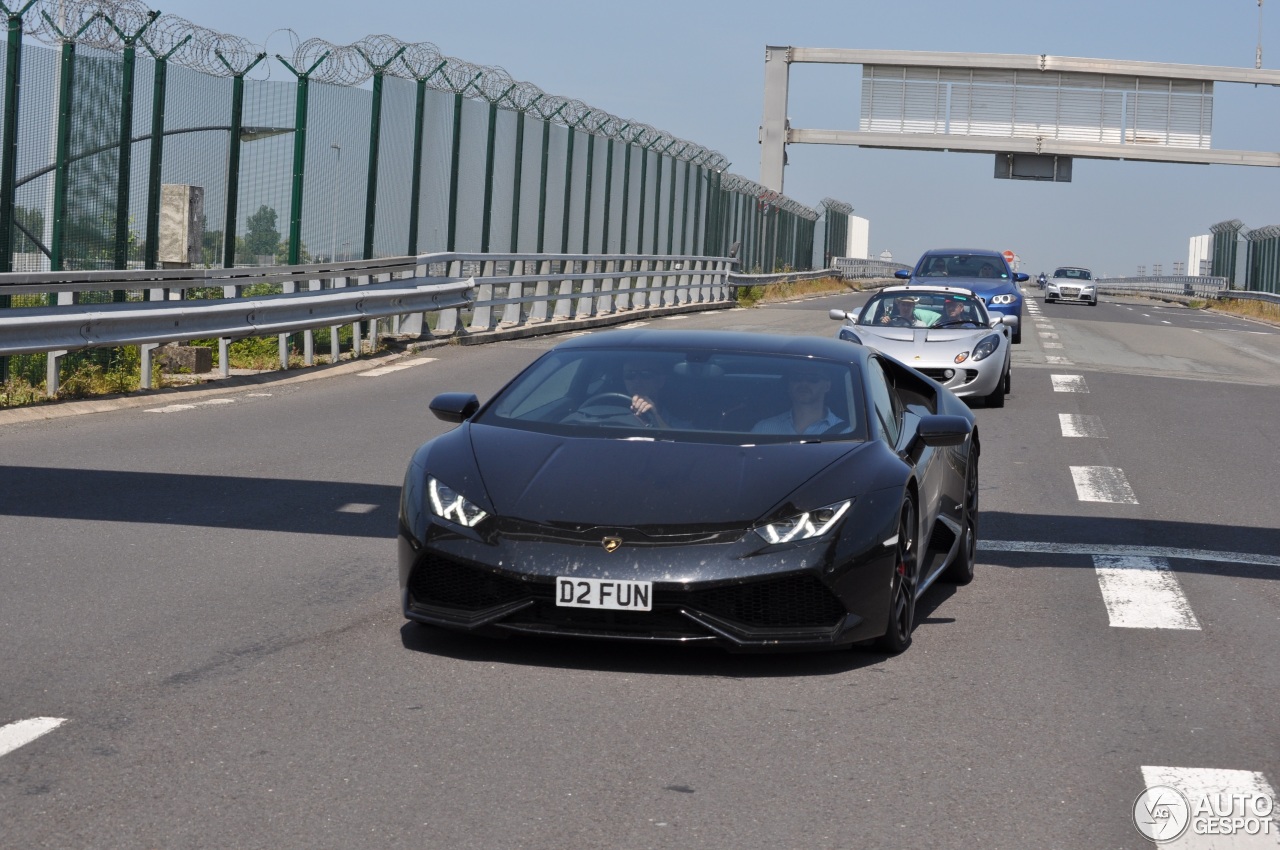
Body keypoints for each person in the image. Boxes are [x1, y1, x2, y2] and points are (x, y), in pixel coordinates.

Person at [751, 367, 848, 436]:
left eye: (813, 378)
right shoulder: (763, 429)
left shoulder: (846, 433)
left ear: (827, 386)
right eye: (796, 377)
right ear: (789, 385)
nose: (803, 383)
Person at [622, 358, 687, 428]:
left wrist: (655, 416)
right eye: (630, 375)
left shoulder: (679, 425)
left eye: (645, 374)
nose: (637, 380)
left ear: (661, 381)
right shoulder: (610, 415)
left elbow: (673, 438)